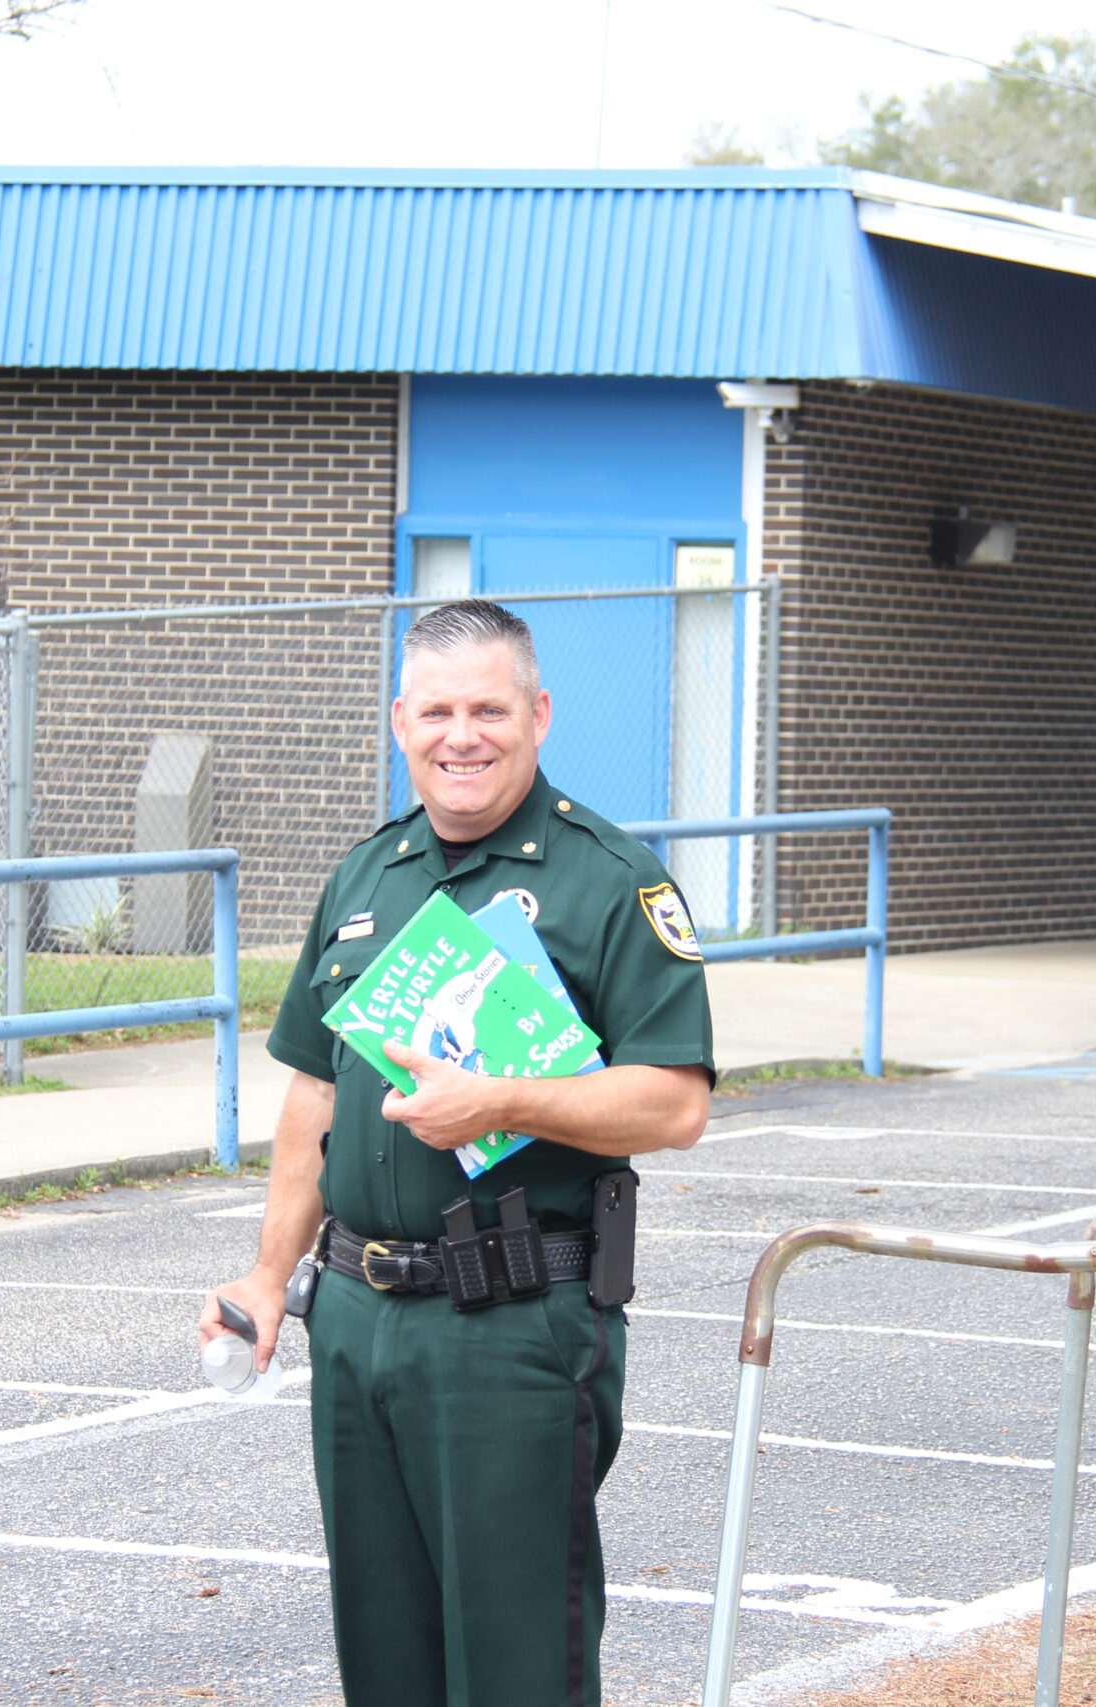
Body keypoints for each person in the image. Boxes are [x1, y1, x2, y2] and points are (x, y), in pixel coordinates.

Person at [204, 598, 716, 1707]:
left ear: (538, 715)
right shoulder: (366, 879)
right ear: (400, 723)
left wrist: (506, 1098)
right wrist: (264, 1269)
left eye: (489, 708)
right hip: (352, 1315)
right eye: (437, 710)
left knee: (515, 1663)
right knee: (384, 1656)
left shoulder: (608, 881)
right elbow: (310, 1094)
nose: (462, 734)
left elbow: (674, 1104)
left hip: (514, 1320)